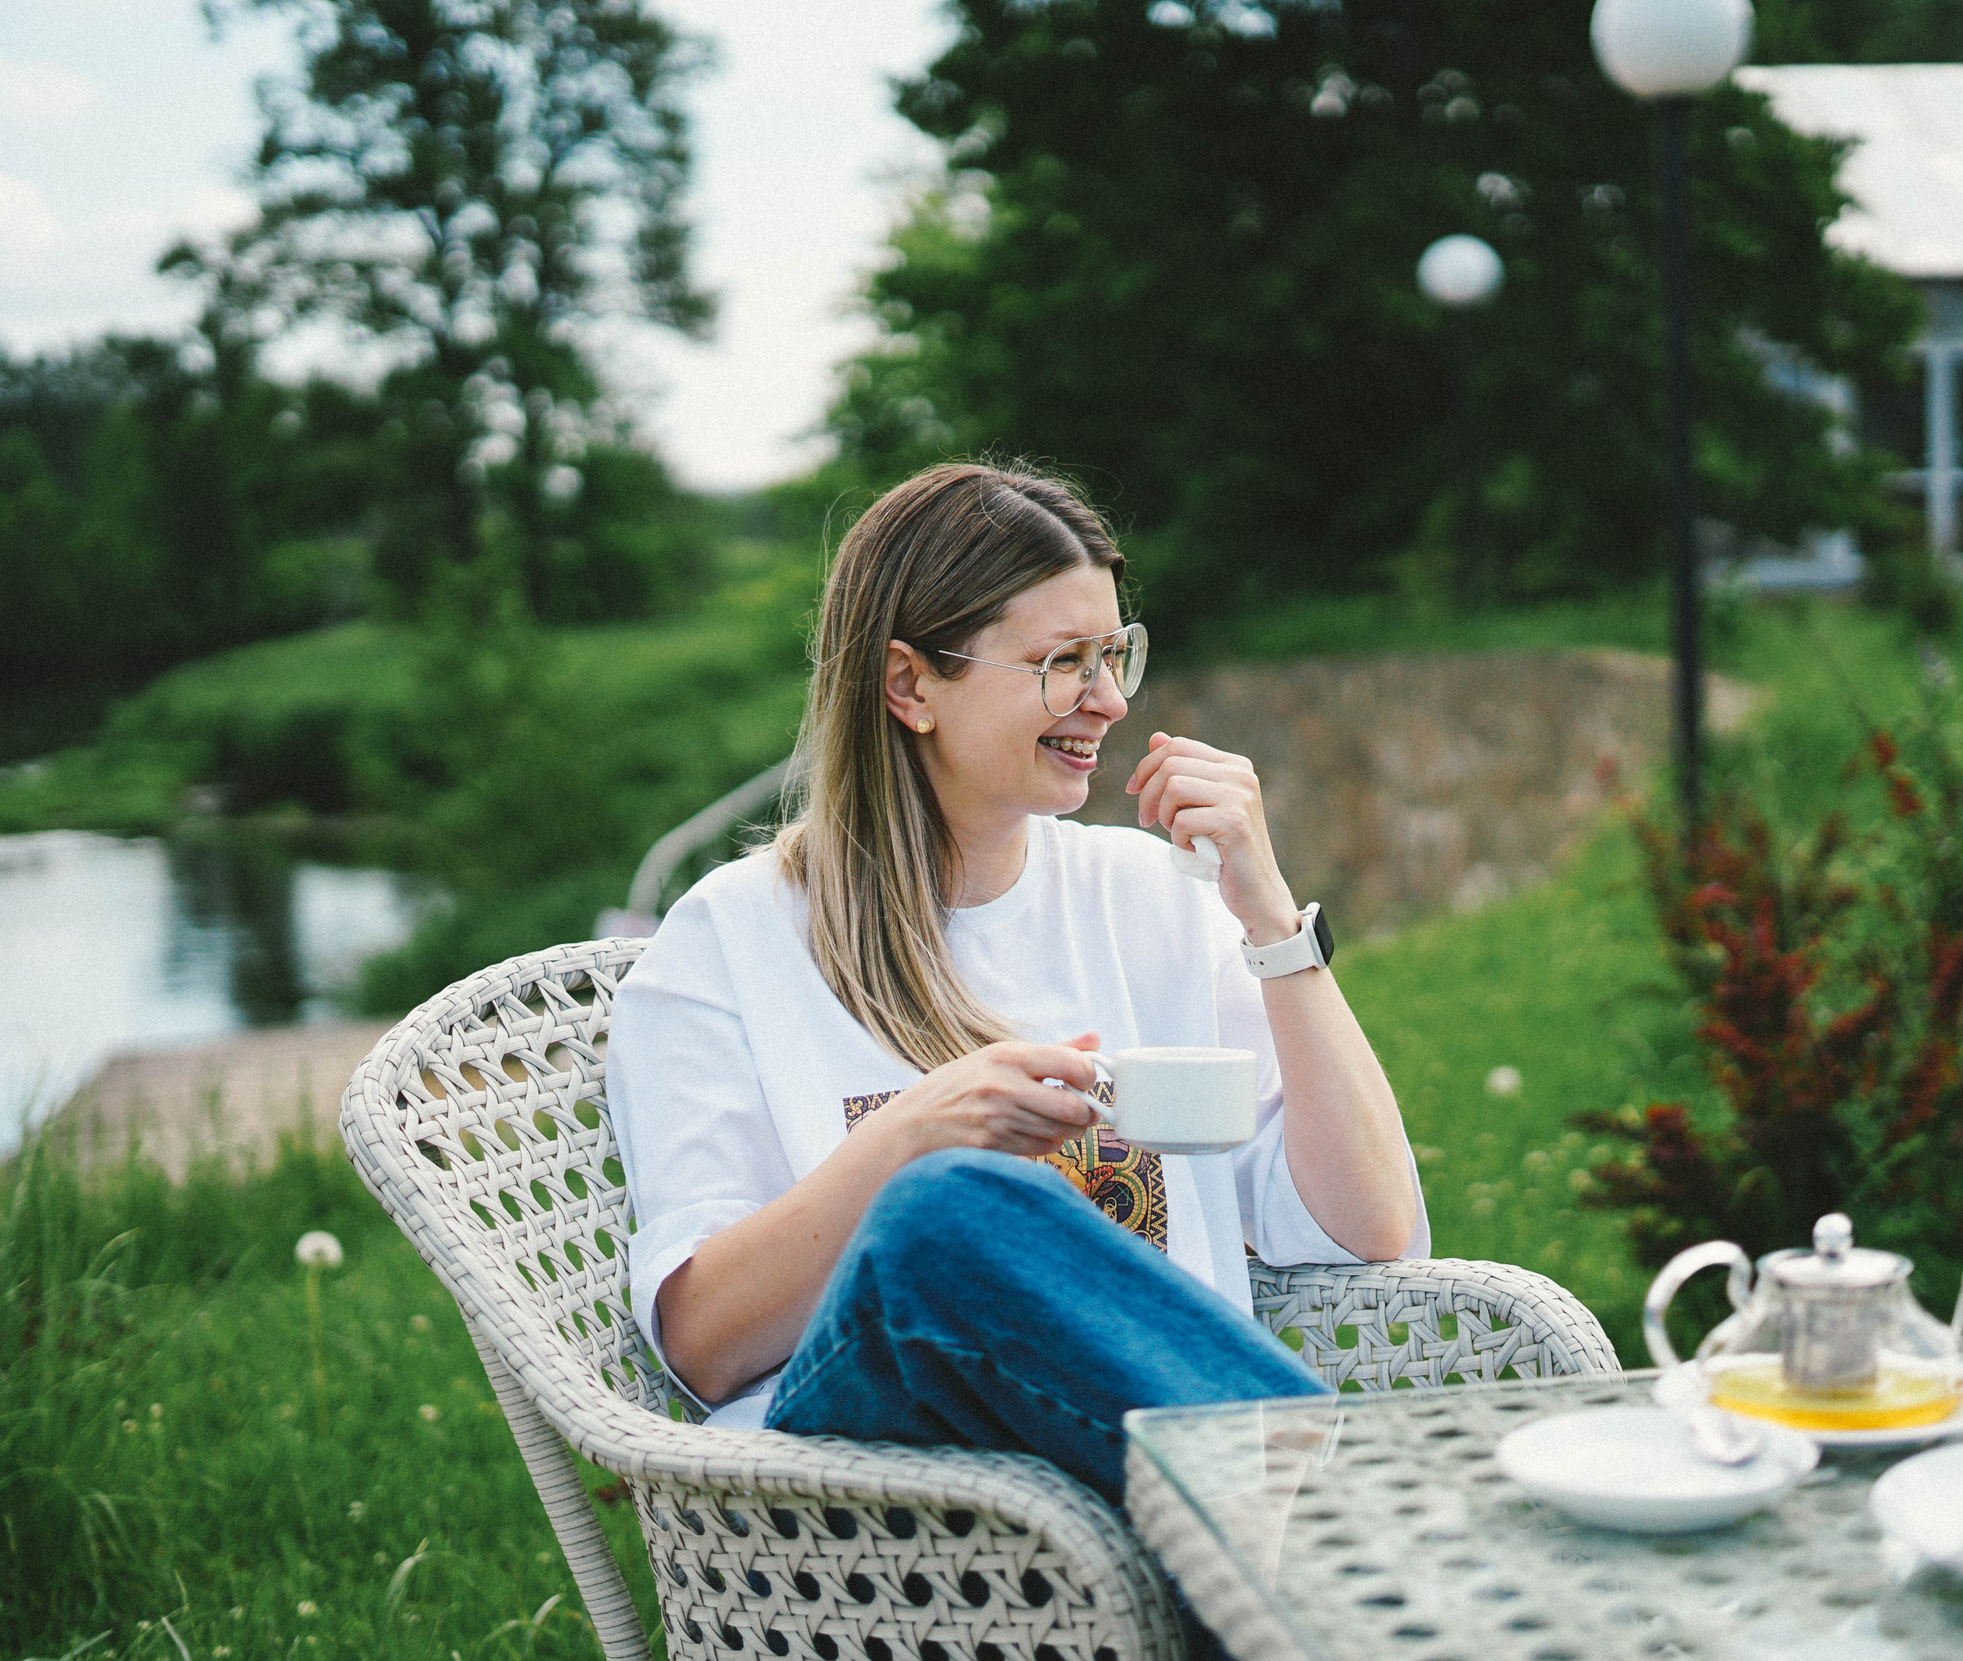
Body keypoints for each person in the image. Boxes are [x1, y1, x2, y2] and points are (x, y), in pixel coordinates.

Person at [608, 460, 1430, 1511]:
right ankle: (1342, 1539)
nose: (1112, 699)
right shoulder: (729, 939)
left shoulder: (1153, 899)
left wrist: (1270, 920)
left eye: (1114, 652)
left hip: (1147, 1485)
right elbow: (703, 1347)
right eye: (1062, 662)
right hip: (863, 1492)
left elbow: (1372, 1230)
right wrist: (910, 1140)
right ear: (910, 686)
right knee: (953, 1208)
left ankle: (1313, 1554)